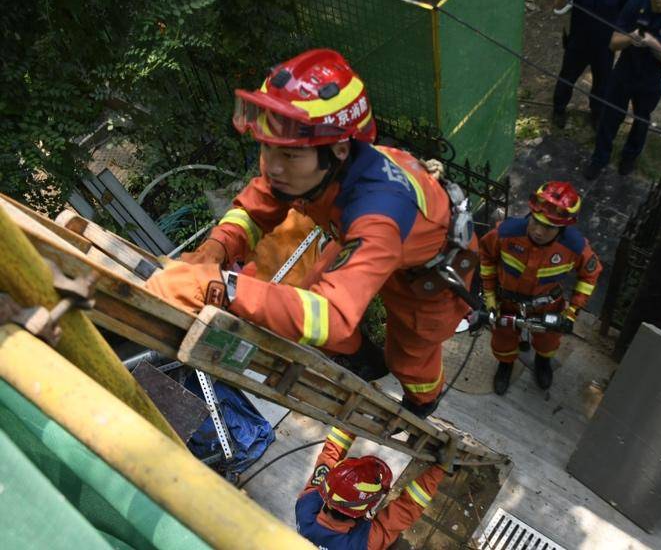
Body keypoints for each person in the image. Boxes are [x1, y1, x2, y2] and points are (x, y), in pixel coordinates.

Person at [146, 49, 476, 418]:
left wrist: (222, 287)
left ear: (337, 150)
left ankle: (422, 401)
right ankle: (364, 359)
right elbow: (257, 207)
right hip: (359, 238)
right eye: (266, 147)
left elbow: (332, 315)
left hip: (426, 278)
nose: (271, 167)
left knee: (410, 354)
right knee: (304, 300)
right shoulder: (316, 170)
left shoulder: (380, 211)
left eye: (287, 156)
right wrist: (217, 248)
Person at [478, 181, 602, 395]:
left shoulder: (575, 247)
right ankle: (506, 365)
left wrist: (571, 313)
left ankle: (543, 362)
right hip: (506, 302)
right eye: (535, 221)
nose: (538, 230)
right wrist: (489, 296)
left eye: (548, 227)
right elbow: (486, 257)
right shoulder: (506, 233)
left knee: (548, 341)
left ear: (563, 226)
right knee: (503, 338)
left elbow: (589, 275)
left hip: (547, 307)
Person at [583, 0, 661, 180]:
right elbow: (613, 43)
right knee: (610, 114)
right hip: (625, 69)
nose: (657, 1)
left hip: (652, 76)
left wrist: (653, 44)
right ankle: (599, 158)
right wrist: (630, 38)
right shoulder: (635, 3)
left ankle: (629, 157)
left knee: (641, 119)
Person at [295, 426, 449, 549]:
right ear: (363, 510)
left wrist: (349, 423)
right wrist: (441, 468)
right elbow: (405, 509)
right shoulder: (366, 543)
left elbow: (328, 459)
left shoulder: (306, 507)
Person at [551, 0, 629, 130]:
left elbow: (626, 14)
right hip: (578, 42)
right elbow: (558, 7)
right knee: (567, 78)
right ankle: (558, 109)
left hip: (605, 46)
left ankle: (597, 114)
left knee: (602, 83)